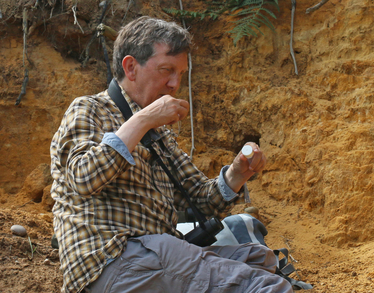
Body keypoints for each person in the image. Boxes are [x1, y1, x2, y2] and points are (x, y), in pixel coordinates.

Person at [50, 16, 292, 293]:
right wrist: (142, 120)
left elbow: (201, 200)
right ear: (130, 67)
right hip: (110, 259)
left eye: (180, 73)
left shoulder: (159, 134)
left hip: (158, 254)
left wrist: (237, 174)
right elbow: (83, 178)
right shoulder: (89, 109)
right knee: (263, 286)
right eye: (166, 70)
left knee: (260, 259)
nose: (175, 84)